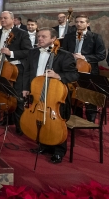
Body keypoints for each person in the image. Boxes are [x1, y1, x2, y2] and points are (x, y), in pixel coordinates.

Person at [23, 28, 78, 164]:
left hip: (56, 95)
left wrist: (58, 76)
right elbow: (27, 71)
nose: (39, 39)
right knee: (40, 118)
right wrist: (25, 88)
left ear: (53, 39)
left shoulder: (65, 55)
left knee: (57, 122)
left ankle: (59, 151)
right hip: (37, 92)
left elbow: (74, 74)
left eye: (43, 37)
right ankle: (44, 145)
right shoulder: (32, 52)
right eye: (38, 36)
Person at [0, 11, 32, 135]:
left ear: (13, 19)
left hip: (15, 69)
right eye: (1, 18)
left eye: (5, 18)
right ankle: (7, 119)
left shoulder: (22, 33)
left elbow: (28, 51)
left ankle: (20, 126)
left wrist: (11, 53)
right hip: (0, 68)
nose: (2, 20)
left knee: (17, 98)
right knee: (4, 93)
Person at [62, 15, 105, 122]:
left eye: (82, 22)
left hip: (89, 70)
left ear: (88, 24)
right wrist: (70, 56)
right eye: (77, 22)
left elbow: (101, 55)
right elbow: (63, 52)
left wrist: (84, 57)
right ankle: (77, 117)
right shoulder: (68, 36)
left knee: (89, 95)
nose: (78, 24)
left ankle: (91, 120)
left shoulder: (95, 37)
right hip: (72, 70)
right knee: (74, 94)